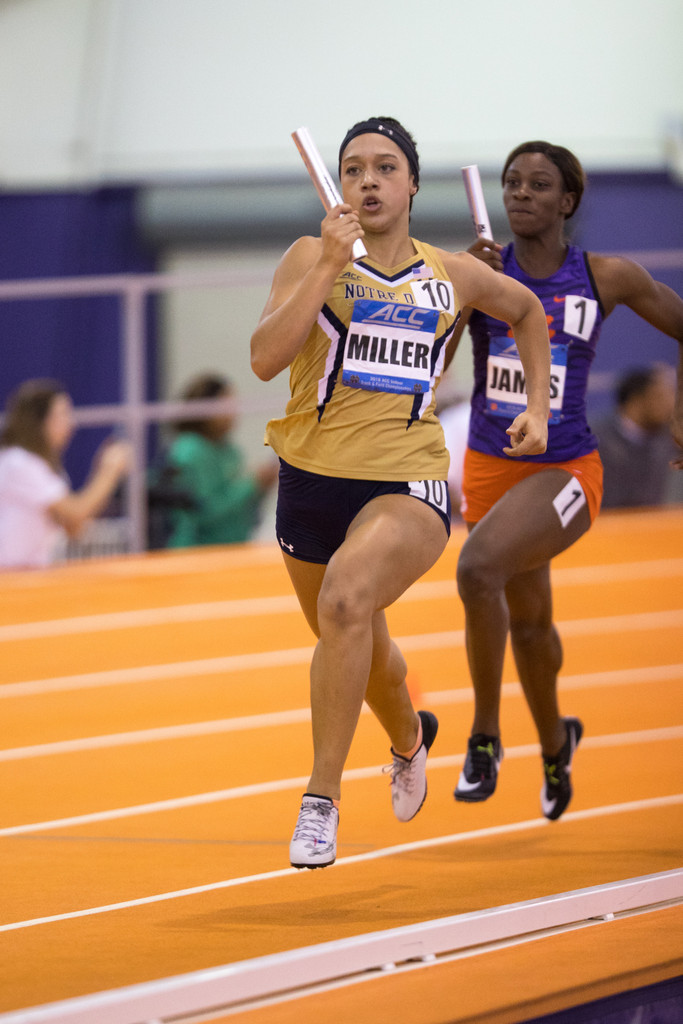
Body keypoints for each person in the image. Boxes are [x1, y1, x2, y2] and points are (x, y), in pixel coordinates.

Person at [250, 116, 552, 869]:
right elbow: (263, 359)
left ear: (412, 183)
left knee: (346, 603)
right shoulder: (310, 256)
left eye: (385, 167)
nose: (368, 181)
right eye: (353, 168)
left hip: (406, 480)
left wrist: (537, 408)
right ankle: (410, 736)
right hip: (310, 480)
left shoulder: (450, 273)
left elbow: (526, 310)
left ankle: (320, 802)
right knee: (360, 645)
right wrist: (328, 263)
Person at [448, 141, 683, 821]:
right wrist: (462, 291)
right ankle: (556, 745)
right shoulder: (478, 272)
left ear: (567, 200)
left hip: (565, 467)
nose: (521, 193)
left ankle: (484, 737)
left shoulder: (604, 275)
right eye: (512, 182)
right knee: (528, 624)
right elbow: (429, 357)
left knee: (476, 570)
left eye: (539, 184)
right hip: (490, 466)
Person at [0, 378, 131, 569]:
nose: (70, 423)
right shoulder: (18, 463)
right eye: (62, 414)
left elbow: (74, 528)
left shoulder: (48, 469)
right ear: (40, 421)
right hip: (10, 575)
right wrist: (109, 470)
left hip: (33, 573)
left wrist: (104, 474)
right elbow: (76, 513)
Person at [156, 373, 278, 549]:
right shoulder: (189, 450)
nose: (233, 413)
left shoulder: (230, 451)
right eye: (226, 405)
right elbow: (204, 511)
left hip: (233, 548)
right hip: (197, 552)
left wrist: (262, 487)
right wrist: (252, 484)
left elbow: (242, 509)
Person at [593, 363, 680, 508]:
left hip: (657, 521)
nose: (670, 405)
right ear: (636, 401)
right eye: (660, 396)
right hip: (605, 520)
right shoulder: (594, 442)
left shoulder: (669, 441)